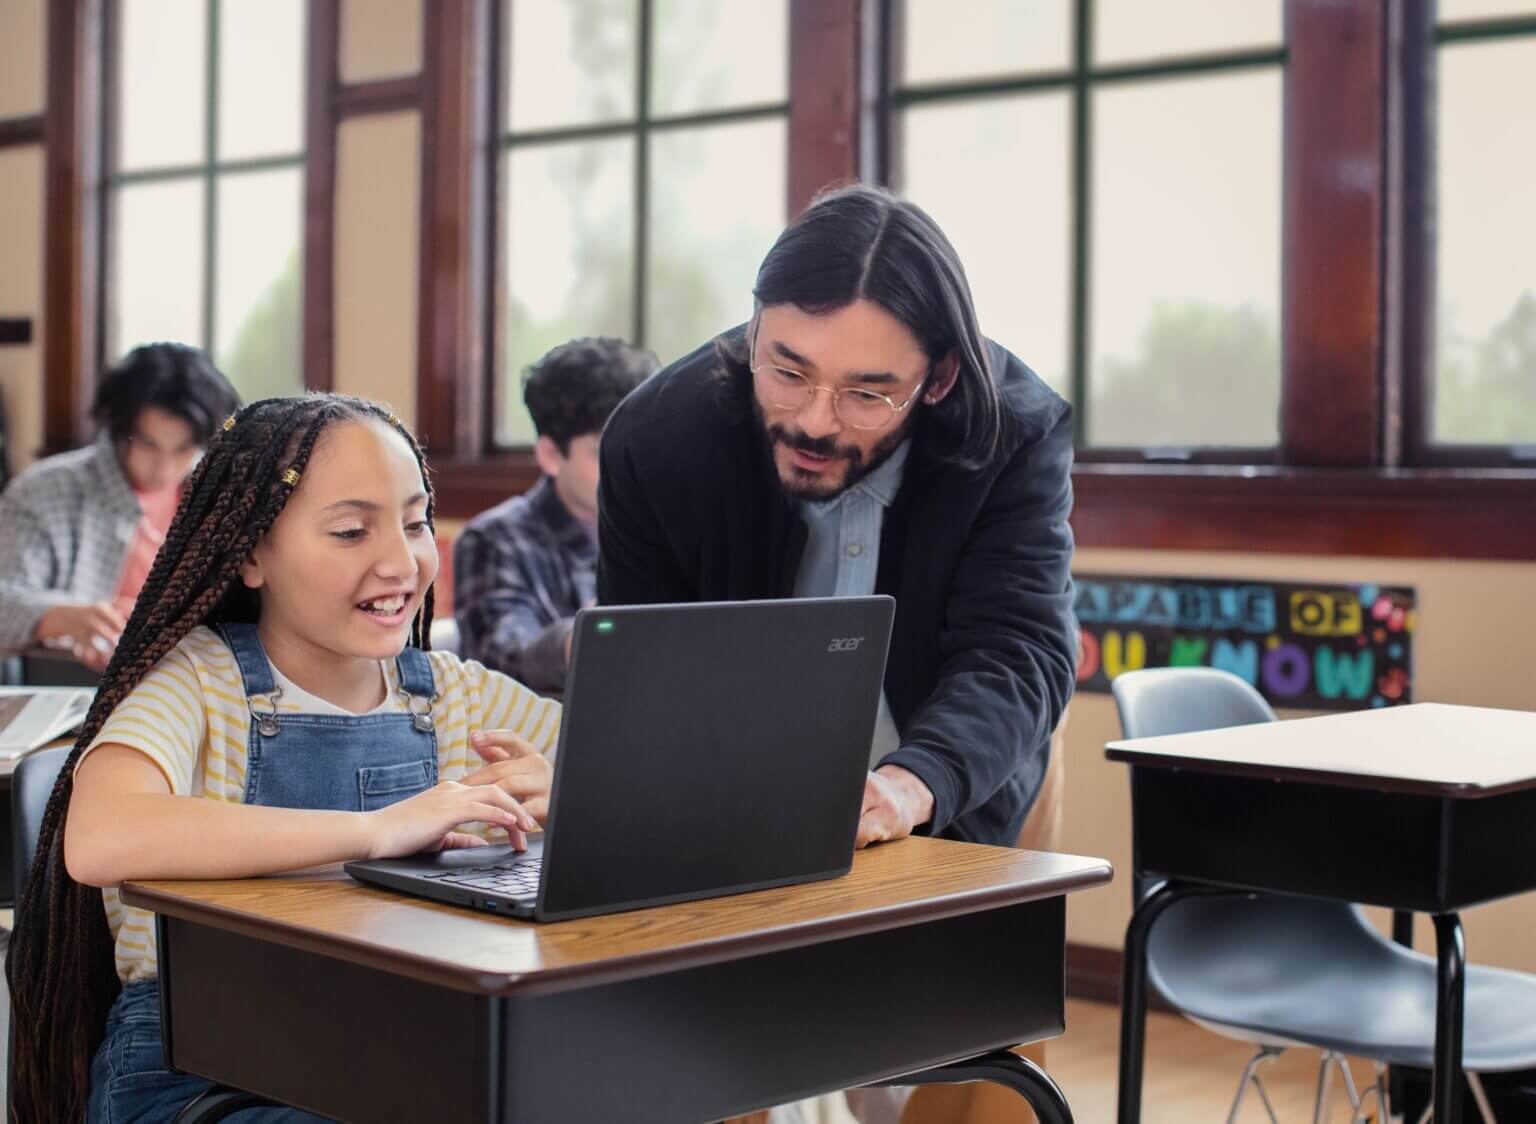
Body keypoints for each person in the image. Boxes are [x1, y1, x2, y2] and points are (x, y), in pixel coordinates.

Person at [597, 184, 1077, 1123]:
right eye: (788, 371)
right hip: (741, 768)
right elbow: (649, 673)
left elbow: (1020, 649)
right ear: (752, 330)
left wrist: (909, 783)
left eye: (867, 393)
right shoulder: (659, 440)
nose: (817, 420)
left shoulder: (1015, 430)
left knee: (972, 1054)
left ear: (936, 378)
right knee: (721, 1053)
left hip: (952, 761)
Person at [5, 394, 560, 1123]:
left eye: (416, 521)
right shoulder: (199, 682)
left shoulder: (454, 695)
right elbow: (100, 836)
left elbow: (647, 780)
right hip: (198, 1076)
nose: (400, 559)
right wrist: (376, 832)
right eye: (352, 531)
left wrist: (571, 794)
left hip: (392, 1052)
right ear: (252, 552)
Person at [0, 343, 242, 672]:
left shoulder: (221, 497)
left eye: (184, 448)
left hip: (197, 677)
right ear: (119, 429)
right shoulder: (45, 491)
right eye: (148, 444)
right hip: (79, 684)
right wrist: (63, 617)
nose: (164, 467)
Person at [454, 337, 654, 691]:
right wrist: (595, 633)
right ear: (550, 455)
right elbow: (498, 661)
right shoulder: (495, 538)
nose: (628, 468)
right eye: (603, 452)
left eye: (639, 447)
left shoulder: (661, 528)